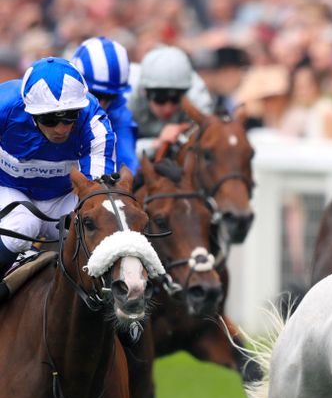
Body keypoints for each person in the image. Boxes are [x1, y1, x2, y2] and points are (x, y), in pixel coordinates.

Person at [0, 57, 115, 275]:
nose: (61, 129)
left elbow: (98, 188)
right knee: (22, 225)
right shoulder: (4, 106)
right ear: (30, 113)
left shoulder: (93, 118)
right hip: (8, 189)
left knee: (103, 221)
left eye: (70, 117)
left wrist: (86, 211)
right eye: (49, 119)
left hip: (63, 198)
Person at [127, 45, 213, 155]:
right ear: (145, 92)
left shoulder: (197, 96)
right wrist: (156, 143)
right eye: (160, 98)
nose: (168, 108)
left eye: (176, 98)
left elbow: (208, 140)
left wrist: (186, 134)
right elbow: (113, 150)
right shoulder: (126, 95)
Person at [71, 36, 138, 174]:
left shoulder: (118, 111)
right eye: (94, 94)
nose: (101, 104)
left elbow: (128, 164)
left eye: (110, 97)